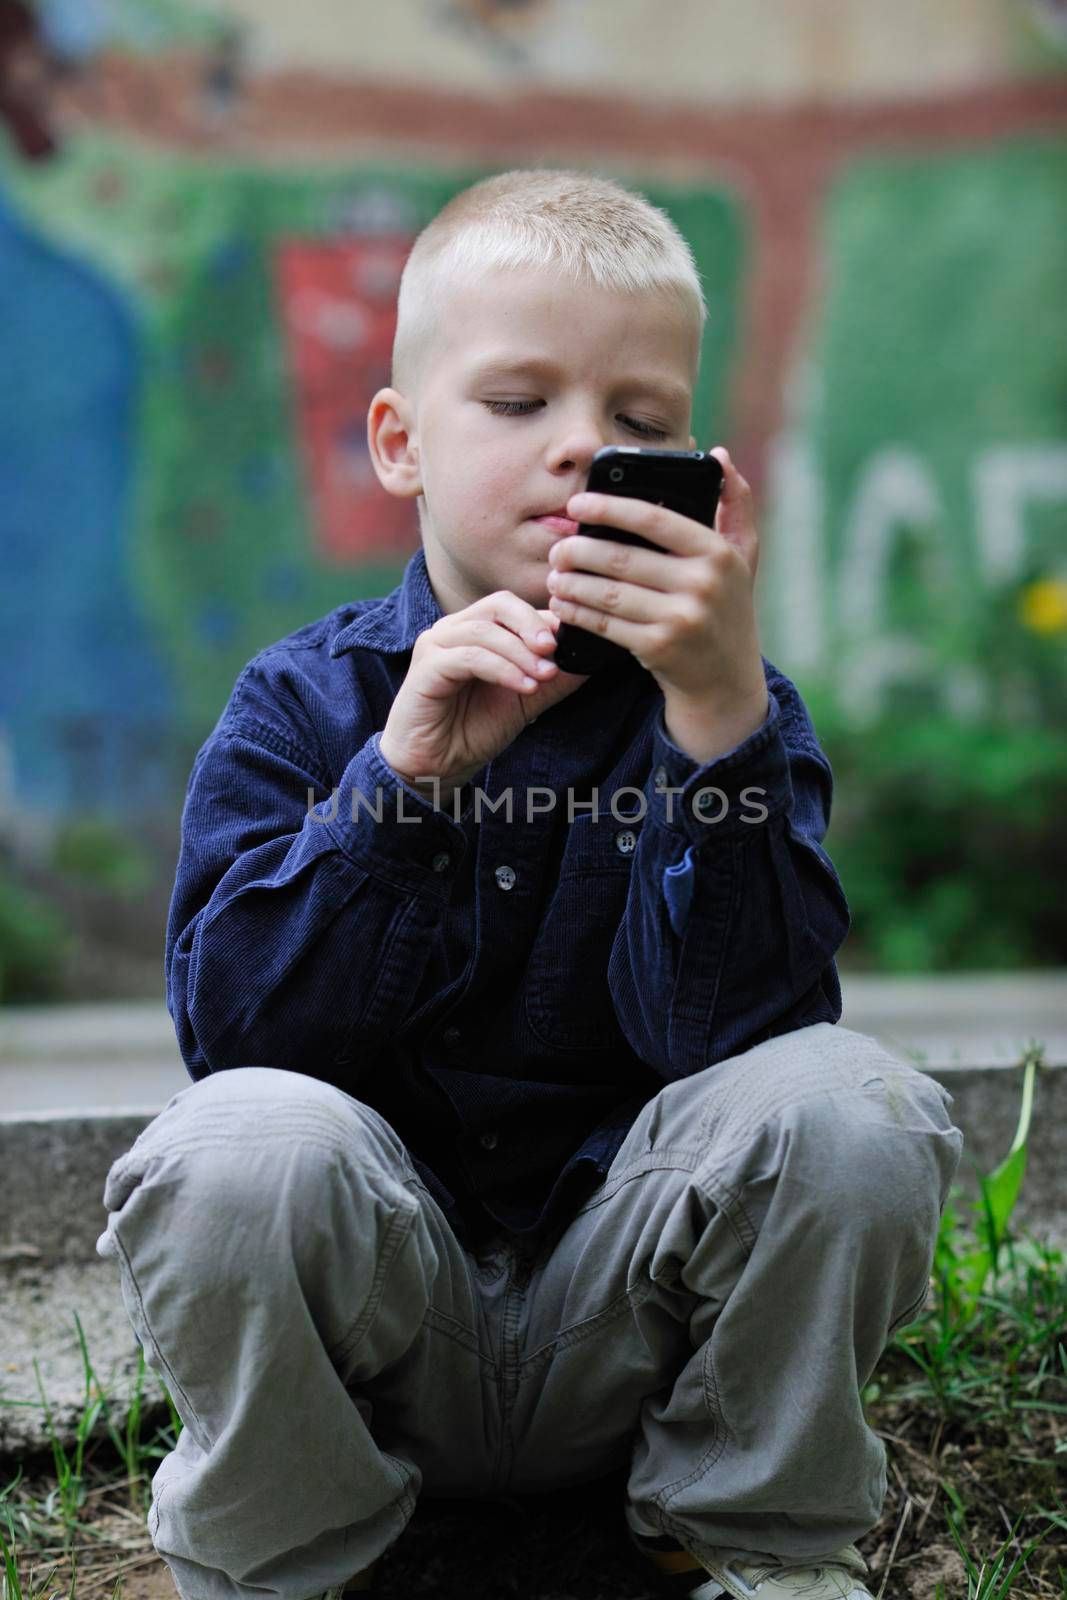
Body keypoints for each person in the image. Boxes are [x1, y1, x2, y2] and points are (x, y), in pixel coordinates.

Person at [96, 168, 964, 1600]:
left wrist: (712, 722)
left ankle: (751, 1544)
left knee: (850, 1104)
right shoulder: (302, 707)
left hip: (631, 1327)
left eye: (638, 423)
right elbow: (243, 1054)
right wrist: (401, 786)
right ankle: (291, 1561)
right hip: (393, 1330)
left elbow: (742, 1050)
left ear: (701, 470)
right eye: (519, 405)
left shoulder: (737, 708)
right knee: (238, 1144)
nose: (582, 451)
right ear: (400, 443)